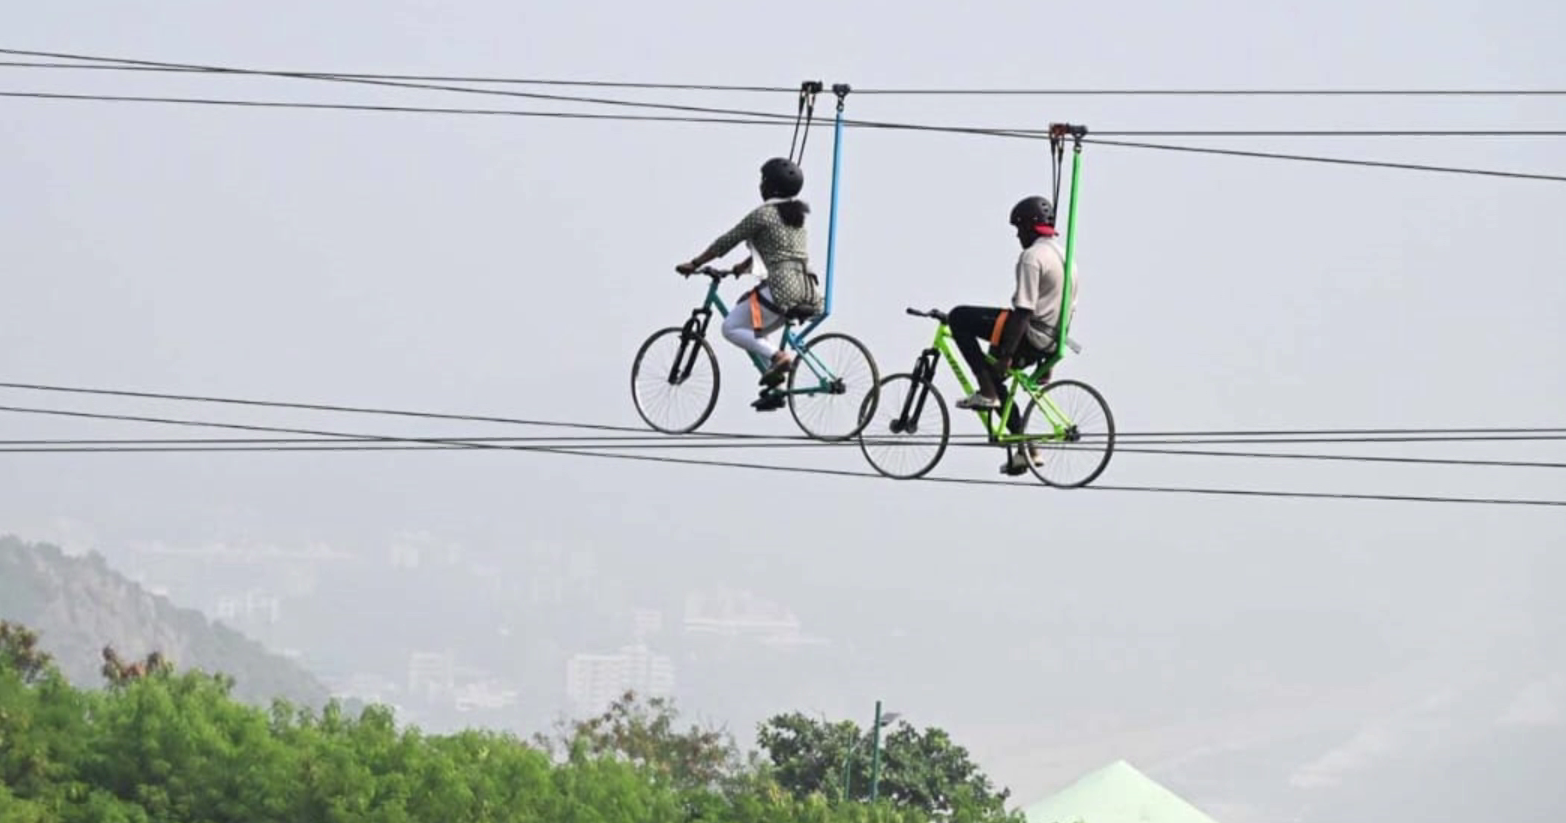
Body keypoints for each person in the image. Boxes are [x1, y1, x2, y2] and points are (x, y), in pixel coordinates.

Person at [676, 157, 822, 410]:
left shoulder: (763, 215)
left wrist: (695, 263)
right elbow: (778, 248)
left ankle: (779, 357)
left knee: (731, 327)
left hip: (781, 289)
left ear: (769, 186)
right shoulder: (795, 217)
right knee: (755, 329)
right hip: (807, 288)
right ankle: (775, 390)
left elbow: (727, 241)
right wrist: (744, 266)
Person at [946, 195, 1077, 474]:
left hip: (1031, 333)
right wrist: (1050, 358)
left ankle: (986, 391)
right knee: (994, 370)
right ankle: (1026, 450)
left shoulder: (1032, 257)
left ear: (1030, 226)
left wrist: (1005, 355)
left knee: (958, 317)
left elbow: (1024, 311)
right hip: (1051, 339)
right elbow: (1066, 311)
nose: (1018, 235)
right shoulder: (1066, 257)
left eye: (1019, 228)